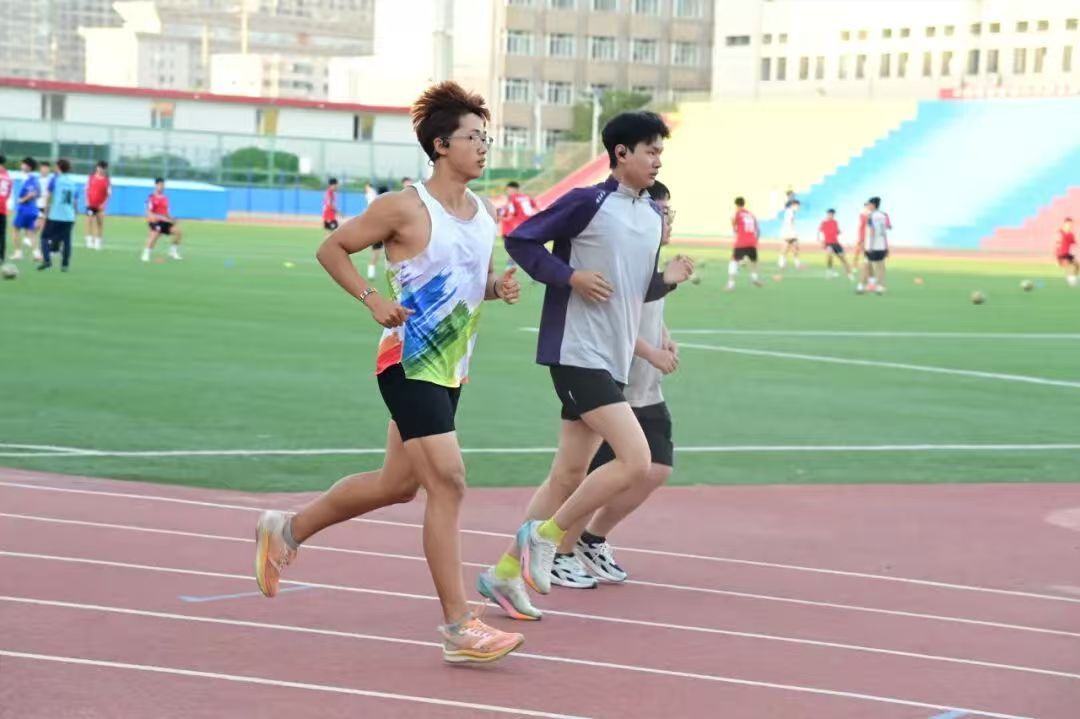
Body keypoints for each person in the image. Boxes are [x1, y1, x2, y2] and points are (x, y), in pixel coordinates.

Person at [252, 81, 526, 664]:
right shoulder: (404, 207)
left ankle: (287, 530)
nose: (484, 147)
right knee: (448, 483)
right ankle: (459, 626)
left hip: (452, 368)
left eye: (487, 137)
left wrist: (495, 289)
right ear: (440, 145)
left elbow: (465, 282)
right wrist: (371, 298)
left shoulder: (486, 213)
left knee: (397, 485)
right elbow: (332, 249)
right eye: (473, 137)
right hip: (407, 361)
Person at [476, 111, 694, 621]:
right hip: (575, 350)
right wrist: (569, 276)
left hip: (612, 357)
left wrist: (668, 279)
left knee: (568, 475)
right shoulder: (587, 202)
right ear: (621, 153)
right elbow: (522, 239)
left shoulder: (650, 216)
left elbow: (633, 289)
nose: (657, 160)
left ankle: (504, 574)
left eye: (660, 152)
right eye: (650, 151)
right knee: (636, 460)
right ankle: (548, 538)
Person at [551, 180, 680, 589]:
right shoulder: (626, 254)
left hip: (646, 386)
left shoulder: (650, 258)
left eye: (670, 213)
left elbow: (647, 311)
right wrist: (651, 351)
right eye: (662, 213)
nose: (668, 221)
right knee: (593, 472)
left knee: (656, 467)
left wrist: (665, 336)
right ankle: (556, 549)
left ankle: (591, 539)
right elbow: (617, 315)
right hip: (614, 379)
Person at [38, 158, 77, 272]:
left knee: (44, 237)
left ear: (59, 167)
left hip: (56, 215)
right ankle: (65, 264)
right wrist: (74, 214)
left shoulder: (55, 180)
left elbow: (49, 197)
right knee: (66, 240)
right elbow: (75, 201)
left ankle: (47, 260)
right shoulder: (72, 182)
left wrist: (45, 213)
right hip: (69, 216)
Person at [499, 181, 539, 269]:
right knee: (523, 249)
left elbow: (511, 213)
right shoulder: (527, 197)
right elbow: (536, 210)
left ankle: (510, 268)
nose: (508, 192)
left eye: (508, 190)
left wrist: (502, 218)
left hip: (514, 228)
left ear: (513, 189)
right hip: (528, 227)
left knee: (512, 249)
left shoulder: (512, 199)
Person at [141, 178, 183, 262]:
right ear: (156, 185)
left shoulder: (165, 198)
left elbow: (166, 212)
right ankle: (146, 254)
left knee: (178, 232)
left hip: (165, 221)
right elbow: (148, 211)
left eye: (163, 185)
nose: (162, 187)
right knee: (155, 234)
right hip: (155, 221)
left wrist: (172, 219)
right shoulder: (151, 197)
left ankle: (173, 251)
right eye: (160, 185)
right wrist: (152, 218)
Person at [856, 196, 890, 295]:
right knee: (880, 266)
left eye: (869, 204)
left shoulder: (871, 216)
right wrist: (886, 247)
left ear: (873, 205)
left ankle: (861, 286)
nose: (868, 206)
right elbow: (885, 231)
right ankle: (880, 287)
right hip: (881, 246)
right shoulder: (884, 215)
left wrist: (869, 246)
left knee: (866, 264)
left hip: (872, 246)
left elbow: (872, 231)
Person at [727, 196, 763, 291]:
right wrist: (755, 241)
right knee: (754, 262)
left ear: (736, 205)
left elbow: (733, 222)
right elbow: (758, 230)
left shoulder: (737, 213)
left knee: (733, 261)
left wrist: (735, 229)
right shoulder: (751, 214)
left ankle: (731, 284)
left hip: (741, 242)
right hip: (752, 242)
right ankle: (755, 278)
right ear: (744, 203)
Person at [11, 158, 42, 262]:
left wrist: (22, 200)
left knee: (15, 229)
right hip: (33, 209)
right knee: (31, 232)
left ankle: (18, 253)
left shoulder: (29, 179)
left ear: (28, 167)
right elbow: (38, 194)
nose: (21, 166)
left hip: (25, 209)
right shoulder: (35, 179)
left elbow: (33, 193)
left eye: (23, 164)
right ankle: (36, 254)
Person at [818, 208, 852, 279]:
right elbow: (820, 233)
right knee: (829, 255)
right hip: (828, 243)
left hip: (836, 244)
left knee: (843, 259)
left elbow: (838, 232)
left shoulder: (835, 222)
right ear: (827, 214)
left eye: (833, 214)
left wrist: (839, 232)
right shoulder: (823, 223)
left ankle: (849, 274)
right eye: (830, 214)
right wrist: (821, 242)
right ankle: (830, 272)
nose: (831, 216)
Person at [84, 160, 111, 250]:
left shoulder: (107, 180)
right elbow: (86, 190)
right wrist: (87, 201)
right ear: (97, 167)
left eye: (103, 168)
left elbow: (108, 194)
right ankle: (89, 240)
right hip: (91, 204)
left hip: (100, 206)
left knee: (99, 223)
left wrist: (104, 204)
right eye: (99, 167)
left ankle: (98, 242)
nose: (101, 170)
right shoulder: (91, 178)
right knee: (89, 221)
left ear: (105, 169)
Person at [778, 198, 801, 270]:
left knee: (790, 247)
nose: (798, 208)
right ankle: (783, 262)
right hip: (789, 231)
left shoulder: (790, 211)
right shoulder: (790, 212)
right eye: (797, 206)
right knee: (790, 247)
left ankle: (784, 263)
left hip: (788, 231)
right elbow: (789, 222)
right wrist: (794, 232)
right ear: (793, 205)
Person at [1057, 217, 1077, 287]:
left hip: (1068, 253)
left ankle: (1071, 278)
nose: (1070, 226)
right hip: (1062, 254)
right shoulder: (1060, 233)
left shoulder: (1071, 234)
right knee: (1070, 265)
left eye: (1071, 224)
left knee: (1076, 265)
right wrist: (1058, 256)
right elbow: (1057, 243)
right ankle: (1071, 280)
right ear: (1065, 224)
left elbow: (1074, 243)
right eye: (1068, 224)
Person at [0, 155, 10, 263]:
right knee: (2, 234)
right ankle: (2, 256)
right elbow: (8, 194)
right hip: (2, 207)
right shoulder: (7, 176)